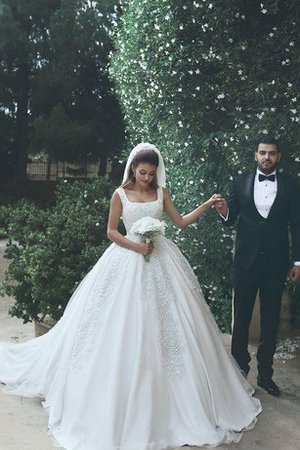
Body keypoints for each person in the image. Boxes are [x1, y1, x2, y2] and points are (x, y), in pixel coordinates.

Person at [0, 143, 261, 450]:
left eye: (151, 174)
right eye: (142, 173)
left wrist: (206, 205)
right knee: (117, 324)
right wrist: (138, 247)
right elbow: (112, 231)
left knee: (174, 325)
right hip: (126, 258)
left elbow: (180, 222)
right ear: (133, 169)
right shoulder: (119, 194)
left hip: (162, 260)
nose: (147, 179)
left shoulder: (161, 193)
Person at [215, 136, 300, 397]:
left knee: (270, 321)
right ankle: (240, 372)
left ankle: (265, 374)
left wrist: (298, 260)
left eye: (271, 153)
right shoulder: (239, 182)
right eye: (262, 153)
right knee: (240, 319)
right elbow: (230, 221)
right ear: (255, 155)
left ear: (278, 157)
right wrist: (223, 210)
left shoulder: (291, 185)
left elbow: (297, 224)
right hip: (245, 262)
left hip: (275, 264)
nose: (266, 157)